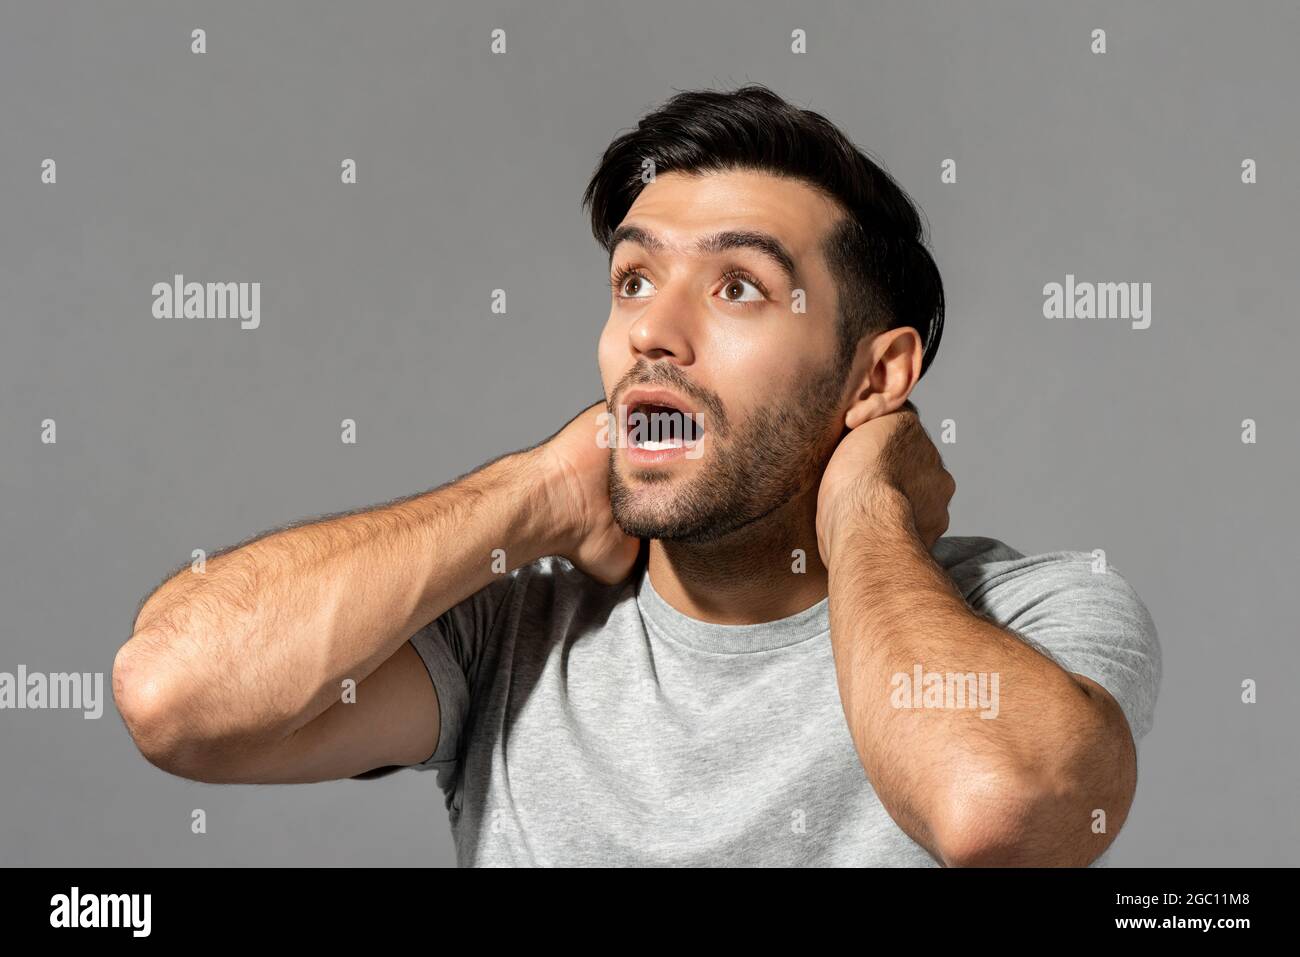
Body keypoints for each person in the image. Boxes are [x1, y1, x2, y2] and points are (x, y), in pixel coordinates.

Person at [113, 85, 1160, 867]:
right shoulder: (510, 637)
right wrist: (544, 490)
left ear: (875, 375)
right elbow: (173, 696)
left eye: (740, 287)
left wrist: (866, 508)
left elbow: (1004, 814)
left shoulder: (1032, 615)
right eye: (634, 279)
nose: (652, 332)